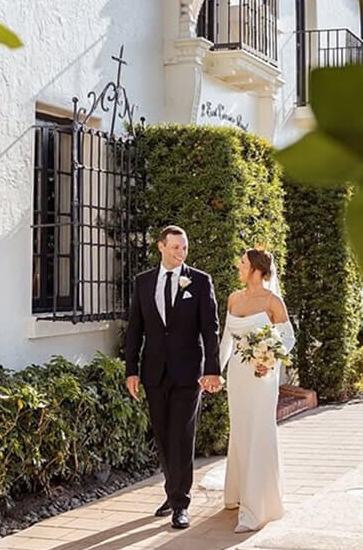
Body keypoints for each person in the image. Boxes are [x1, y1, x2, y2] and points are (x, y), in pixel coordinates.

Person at [125, 225, 222, 530]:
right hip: (154, 371)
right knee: (164, 437)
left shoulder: (200, 281)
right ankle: (172, 490)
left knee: (182, 435)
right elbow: (135, 329)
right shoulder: (143, 283)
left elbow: (210, 328)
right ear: (161, 247)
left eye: (185, 248)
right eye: (176, 247)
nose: (181, 252)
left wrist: (211, 369)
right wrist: (132, 370)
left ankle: (181, 503)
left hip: (187, 372)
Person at [219, 248, 295, 533]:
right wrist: (215, 371)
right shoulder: (234, 298)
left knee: (260, 431)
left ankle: (258, 508)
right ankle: (238, 494)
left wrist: (269, 360)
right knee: (240, 430)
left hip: (262, 377)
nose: (238, 267)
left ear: (256, 270)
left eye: (242, 263)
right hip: (238, 376)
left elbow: (288, 338)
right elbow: (227, 337)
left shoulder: (273, 302)